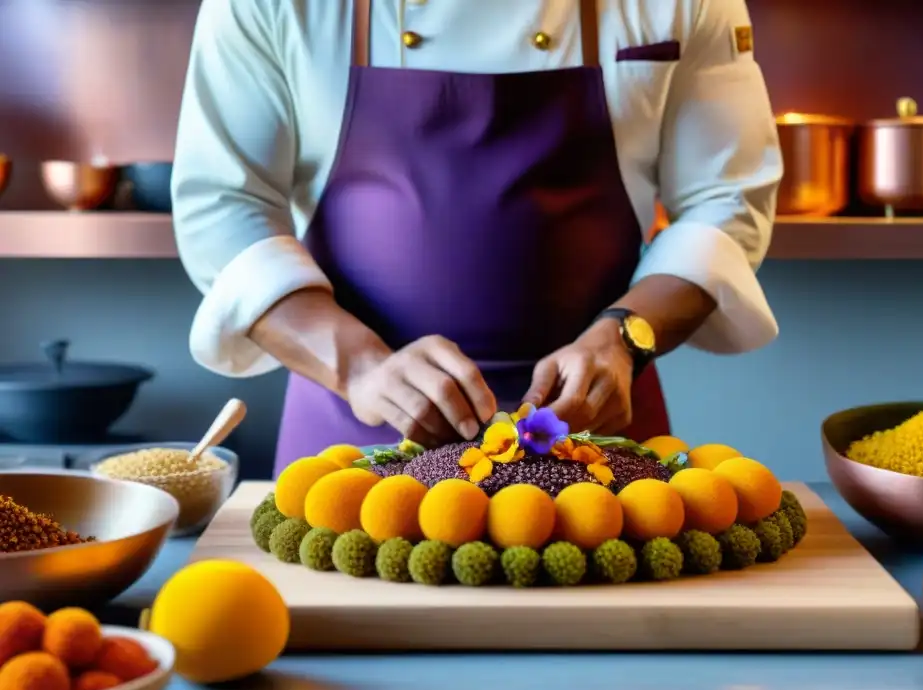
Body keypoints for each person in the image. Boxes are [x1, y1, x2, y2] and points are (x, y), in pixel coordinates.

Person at [172, 0, 782, 477]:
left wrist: (624, 341)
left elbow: (726, 198)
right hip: (352, 442)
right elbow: (224, 202)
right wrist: (360, 368)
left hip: (595, 439)